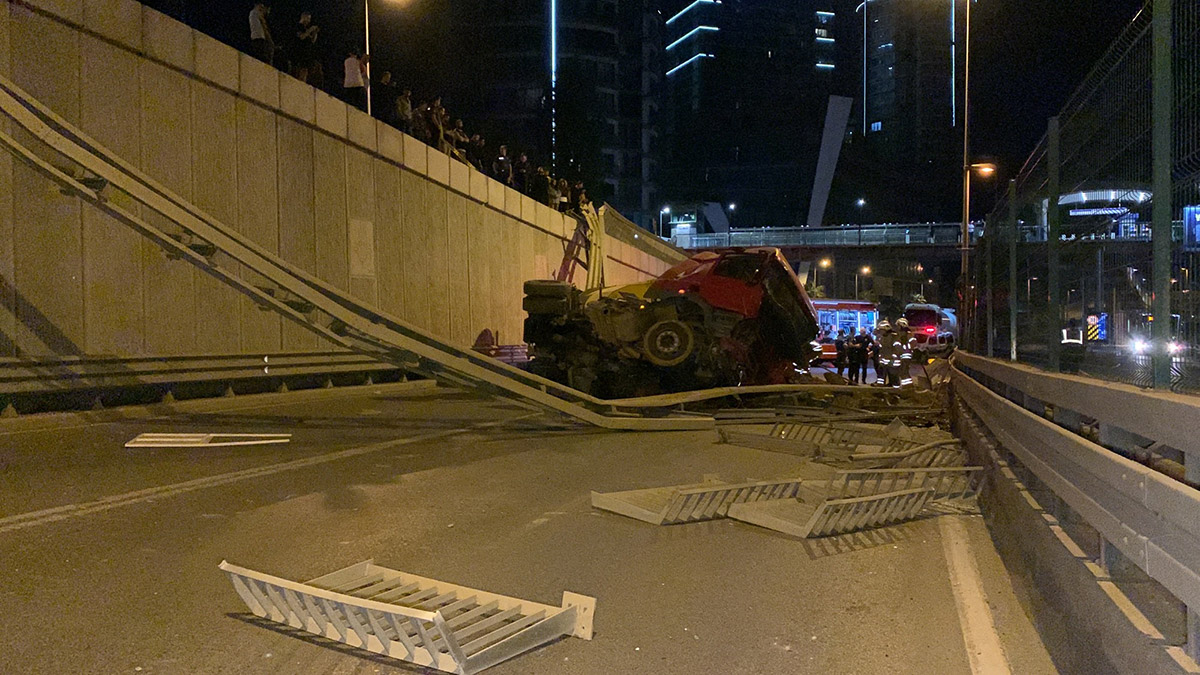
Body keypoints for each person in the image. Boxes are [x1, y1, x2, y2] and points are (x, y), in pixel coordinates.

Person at [291, 11, 321, 86]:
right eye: (308, 18)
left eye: (309, 19)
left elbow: (312, 40)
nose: (309, 21)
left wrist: (315, 33)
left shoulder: (306, 28)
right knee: (299, 69)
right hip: (298, 52)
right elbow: (302, 36)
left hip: (306, 54)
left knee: (305, 70)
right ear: (303, 17)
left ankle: (302, 83)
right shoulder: (298, 26)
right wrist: (310, 29)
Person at [895, 317, 915, 387]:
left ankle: (908, 385)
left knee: (903, 371)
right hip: (903, 355)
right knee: (902, 371)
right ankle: (906, 385)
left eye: (898, 326)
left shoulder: (906, 334)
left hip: (905, 356)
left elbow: (912, 343)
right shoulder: (904, 334)